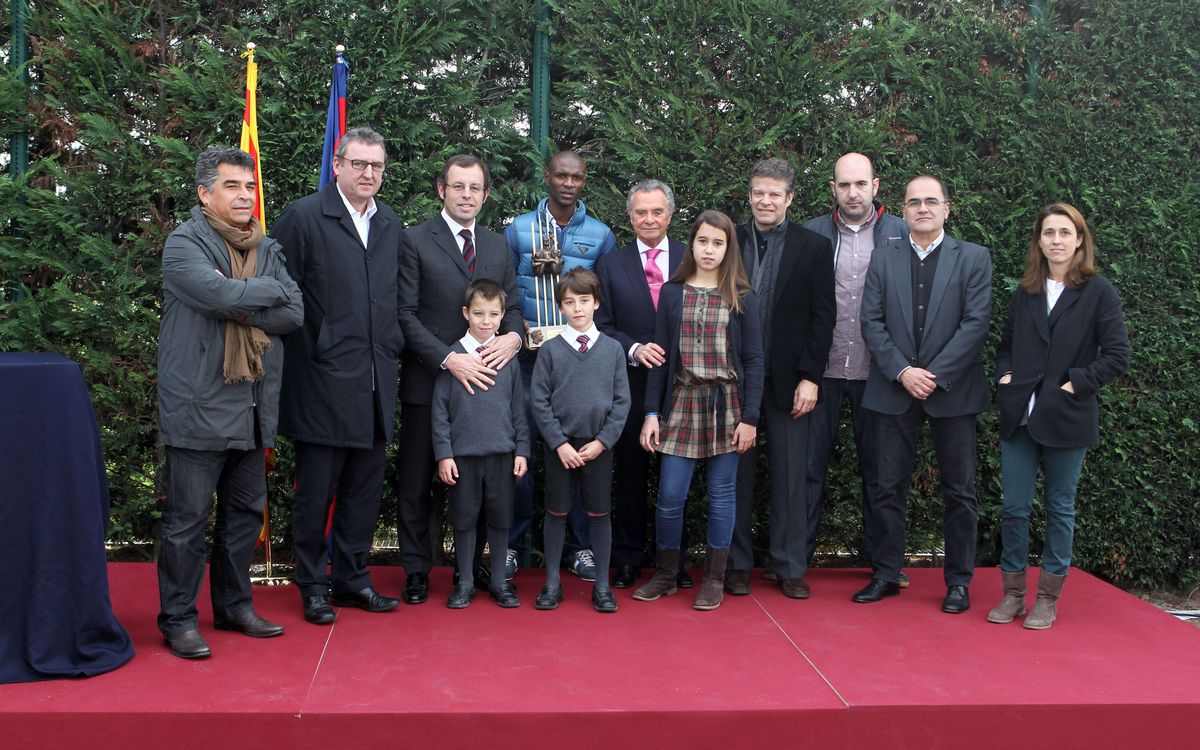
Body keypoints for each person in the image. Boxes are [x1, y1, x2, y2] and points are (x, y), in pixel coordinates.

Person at [156, 146, 302, 658]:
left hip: (254, 406)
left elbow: (294, 313)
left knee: (244, 515)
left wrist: (241, 301)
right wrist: (260, 295)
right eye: (232, 186)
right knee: (187, 521)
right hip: (197, 405)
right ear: (204, 193)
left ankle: (234, 607)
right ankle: (178, 620)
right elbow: (217, 297)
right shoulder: (184, 243)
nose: (245, 196)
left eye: (249, 186)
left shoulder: (267, 246)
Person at [273, 127, 404, 624]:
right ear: (337, 165)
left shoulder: (388, 222)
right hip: (322, 383)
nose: (368, 173)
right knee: (316, 494)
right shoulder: (303, 217)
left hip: (375, 382)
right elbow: (279, 295)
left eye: (376, 166)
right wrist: (319, 345)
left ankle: (351, 579)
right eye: (359, 163)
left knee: (363, 492)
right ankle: (311, 585)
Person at [988, 202, 1129, 629]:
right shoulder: (1026, 291)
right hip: (1021, 416)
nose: (1056, 240)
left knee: (1059, 507)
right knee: (1014, 507)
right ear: (1039, 241)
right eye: (1049, 233)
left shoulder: (1098, 291)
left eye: (1065, 232)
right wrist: (1006, 377)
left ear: (1080, 240)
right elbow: (1005, 345)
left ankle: (1047, 598)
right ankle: (1013, 594)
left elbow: (1117, 355)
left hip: (1067, 415)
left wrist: (1075, 384)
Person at [856, 175, 992, 614]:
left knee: (960, 491)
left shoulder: (973, 257)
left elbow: (976, 323)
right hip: (894, 388)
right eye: (914, 202)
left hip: (953, 391)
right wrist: (902, 371)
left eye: (931, 201)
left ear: (947, 209)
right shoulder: (883, 258)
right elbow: (871, 321)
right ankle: (886, 574)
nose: (923, 208)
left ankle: (959, 583)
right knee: (887, 487)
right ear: (903, 210)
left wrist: (932, 375)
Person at [397, 154, 524, 605]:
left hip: (486, 389)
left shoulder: (497, 245)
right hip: (428, 380)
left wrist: (514, 338)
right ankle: (417, 569)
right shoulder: (414, 240)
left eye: (475, 188)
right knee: (416, 482)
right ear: (441, 190)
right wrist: (449, 359)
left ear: (485, 194)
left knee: (484, 485)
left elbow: (512, 307)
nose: (466, 195)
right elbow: (405, 315)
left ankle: (471, 569)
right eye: (458, 186)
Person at [634, 211, 764, 611]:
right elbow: (660, 359)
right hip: (681, 404)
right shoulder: (673, 293)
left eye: (718, 243)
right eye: (703, 241)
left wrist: (750, 419)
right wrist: (651, 412)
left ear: (729, 249)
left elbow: (754, 360)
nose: (709, 250)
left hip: (727, 406)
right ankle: (666, 574)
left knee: (722, 496)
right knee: (670, 495)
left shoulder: (742, 296)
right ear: (691, 244)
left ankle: (713, 579)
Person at [505, 151, 616, 583]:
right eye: (561, 176)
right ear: (547, 177)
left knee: (580, 454)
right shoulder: (519, 229)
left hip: (579, 367)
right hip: (529, 363)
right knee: (521, 454)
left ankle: (580, 548)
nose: (569, 183)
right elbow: (506, 291)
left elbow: (605, 300)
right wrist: (518, 324)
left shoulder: (600, 235)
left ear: (584, 181)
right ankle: (512, 546)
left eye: (577, 177)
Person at [728, 158, 835, 599]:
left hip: (791, 382)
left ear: (790, 198)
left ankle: (789, 566)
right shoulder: (730, 240)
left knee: (792, 476)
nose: (765, 200)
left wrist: (811, 377)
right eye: (759, 192)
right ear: (749, 195)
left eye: (774, 194)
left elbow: (823, 318)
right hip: (734, 380)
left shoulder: (814, 247)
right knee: (734, 476)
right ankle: (735, 564)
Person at [801, 152, 908, 582]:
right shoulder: (812, 233)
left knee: (882, 475)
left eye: (860, 184)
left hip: (879, 372)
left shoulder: (901, 233)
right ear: (833, 189)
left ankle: (886, 565)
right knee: (807, 471)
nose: (852, 193)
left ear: (875, 186)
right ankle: (795, 561)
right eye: (844, 185)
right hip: (821, 371)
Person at [594, 179, 691, 590]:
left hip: (684, 386)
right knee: (631, 477)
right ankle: (628, 558)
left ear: (670, 214)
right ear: (630, 216)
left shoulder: (691, 257)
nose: (649, 219)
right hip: (631, 384)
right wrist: (634, 348)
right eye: (640, 212)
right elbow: (601, 325)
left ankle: (674, 560)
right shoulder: (611, 264)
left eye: (657, 211)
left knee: (678, 478)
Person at [529, 268, 630, 613]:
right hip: (561, 447)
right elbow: (539, 400)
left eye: (584, 301)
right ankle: (552, 583)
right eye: (569, 302)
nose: (577, 308)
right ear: (560, 307)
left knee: (599, 513)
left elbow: (622, 402)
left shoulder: (613, 350)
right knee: (556, 511)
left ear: (596, 303)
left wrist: (603, 442)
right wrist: (559, 443)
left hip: (598, 447)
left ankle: (602, 585)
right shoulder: (550, 350)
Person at [433, 280, 531, 609]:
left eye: (492, 314)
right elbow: (439, 413)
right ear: (466, 313)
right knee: (464, 518)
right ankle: (465, 581)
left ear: (502, 316)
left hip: (502, 455)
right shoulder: (453, 357)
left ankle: (500, 581)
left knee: (500, 518)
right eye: (478, 313)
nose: (485, 321)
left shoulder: (507, 359)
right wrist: (444, 454)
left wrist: (522, 450)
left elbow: (519, 409)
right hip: (463, 457)